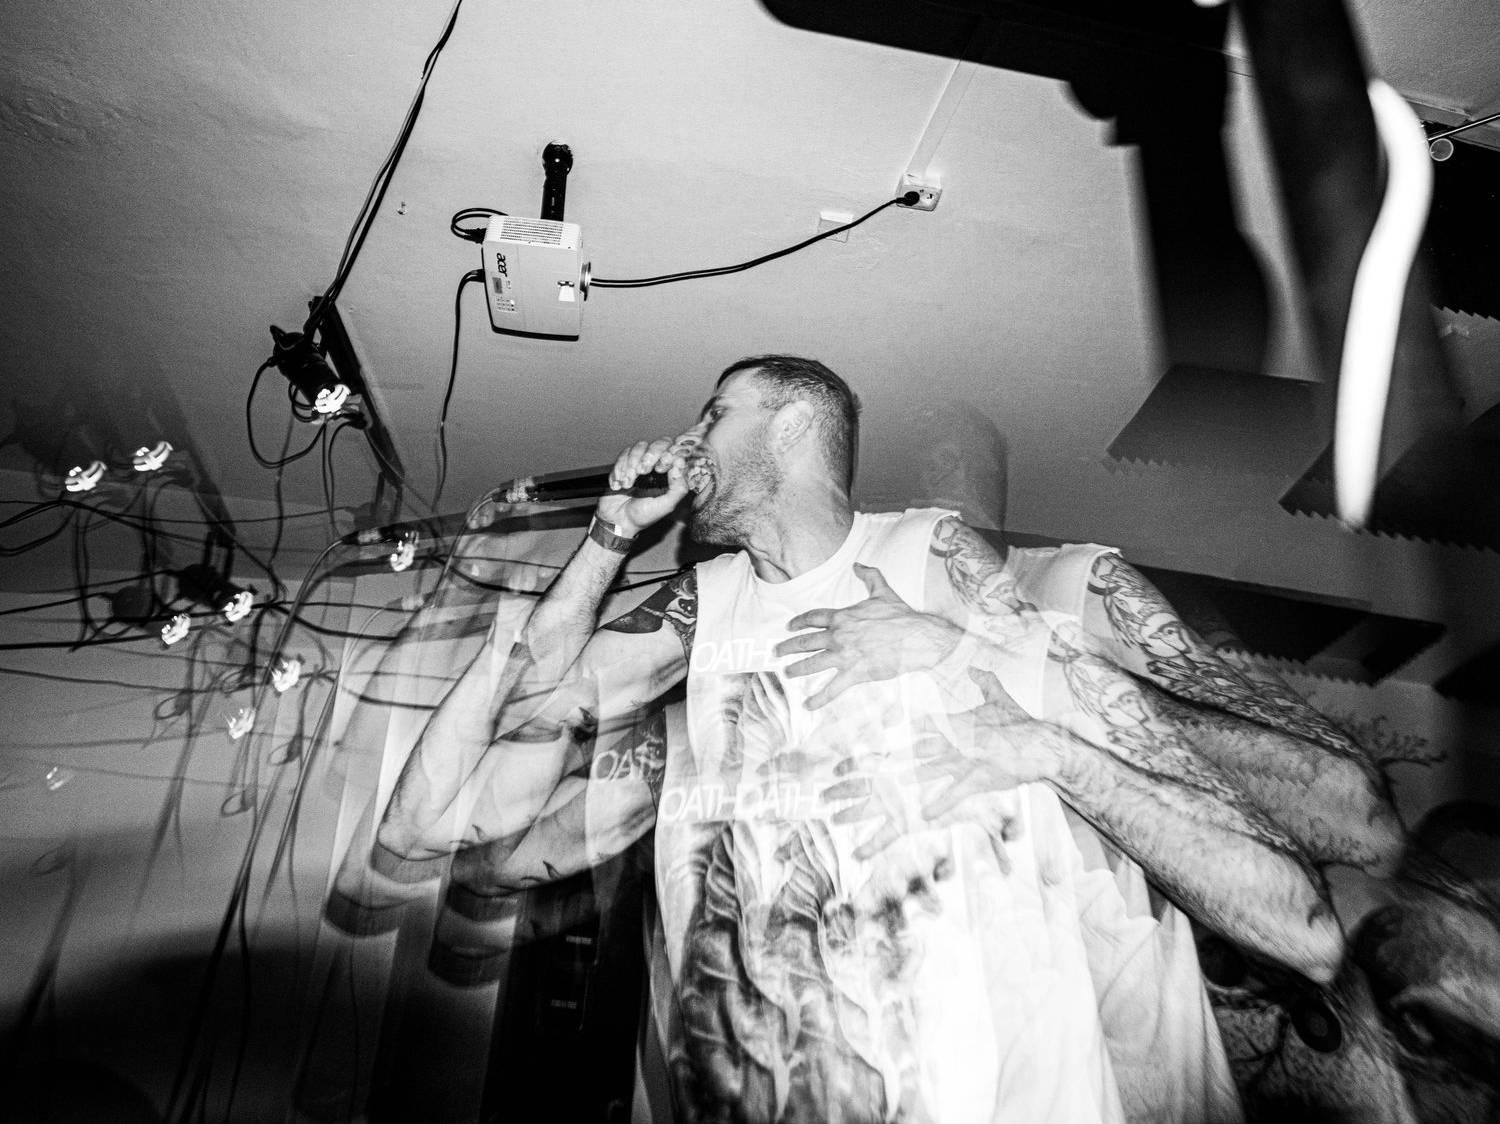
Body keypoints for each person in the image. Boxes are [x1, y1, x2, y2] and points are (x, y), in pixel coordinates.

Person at [378, 355, 1402, 1123]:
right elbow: (495, 748)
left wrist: (964, 654)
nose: (689, 439)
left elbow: (1306, 872)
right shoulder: (709, 608)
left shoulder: (947, 566)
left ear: (791, 427)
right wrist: (608, 534)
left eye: (714, 413)